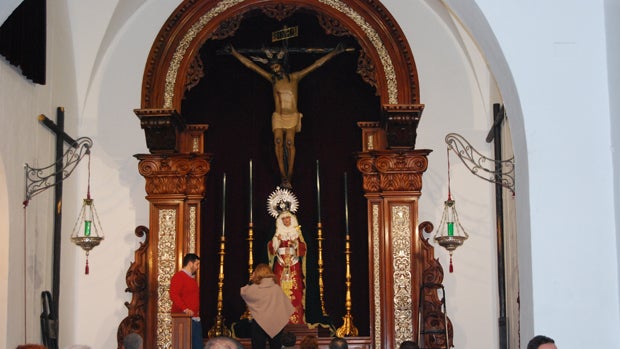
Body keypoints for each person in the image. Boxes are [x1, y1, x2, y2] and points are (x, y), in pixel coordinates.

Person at [229, 44, 345, 188]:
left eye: (276, 67)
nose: (275, 70)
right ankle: (282, 174)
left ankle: (289, 174)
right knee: (278, 141)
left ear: (281, 66)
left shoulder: (294, 77)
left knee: (289, 144)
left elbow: (316, 64)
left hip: (292, 116)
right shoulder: (273, 80)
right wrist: (234, 53)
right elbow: (252, 66)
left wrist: (334, 52)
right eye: (272, 68)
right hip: (279, 115)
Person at [241, 263, 295, 349]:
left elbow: (243, 292)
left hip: (258, 323)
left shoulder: (254, 288)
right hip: (276, 322)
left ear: (257, 273)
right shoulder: (276, 288)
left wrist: (250, 281)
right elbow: (286, 305)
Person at [268, 210, 307, 324]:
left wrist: (295, 244)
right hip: (280, 265)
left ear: (292, 219)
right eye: (283, 219)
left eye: (288, 218)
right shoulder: (277, 232)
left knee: (295, 289)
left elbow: (304, 248)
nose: (286, 220)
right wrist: (277, 240)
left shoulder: (297, 232)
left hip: (294, 264)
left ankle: (296, 319)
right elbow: (271, 250)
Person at [169, 253, 202, 349]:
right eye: (197, 264)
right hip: (184, 319)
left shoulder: (192, 279)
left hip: (194, 318)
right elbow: (173, 294)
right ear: (190, 263)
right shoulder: (179, 276)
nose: (198, 267)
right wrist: (185, 309)